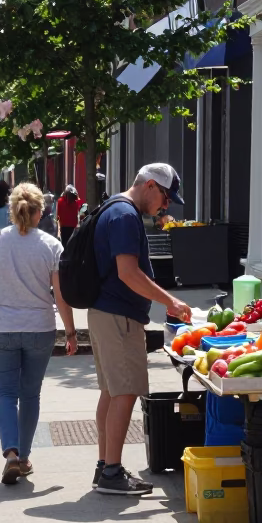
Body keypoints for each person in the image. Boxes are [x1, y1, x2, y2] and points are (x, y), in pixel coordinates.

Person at [89, 163, 192, 495]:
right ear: (150, 186)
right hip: (118, 316)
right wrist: (170, 302)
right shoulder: (125, 216)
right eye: (165, 197)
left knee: (112, 391)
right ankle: (111, 473)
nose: (165, 206)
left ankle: (106, 466)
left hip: (108, 313)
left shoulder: (114, 209)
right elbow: (128, 273)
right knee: (125, 391)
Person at [0, 183, 78, 484]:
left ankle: (11, 455)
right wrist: (70, 332)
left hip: (0, 327)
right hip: (39, 328)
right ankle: (26, 457)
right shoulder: (51, 245)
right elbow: (61, 295)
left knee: (5, 393)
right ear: (39, 211)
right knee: (30, 394)